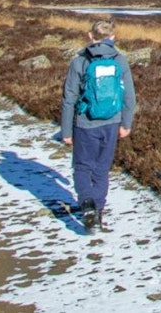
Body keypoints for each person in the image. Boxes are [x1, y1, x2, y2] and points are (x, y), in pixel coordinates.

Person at [60, 18, 136, 233]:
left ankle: (87, 204)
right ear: (113, 37)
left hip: (85, 123)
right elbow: (129, 96)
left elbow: (69, 98)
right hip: (112, 123)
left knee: (83, 166)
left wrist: (66, 130)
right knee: (102, 169)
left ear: (90, 36)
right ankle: (99, 214)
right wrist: (126, 123)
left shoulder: (80, 62)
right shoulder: (120, 60)